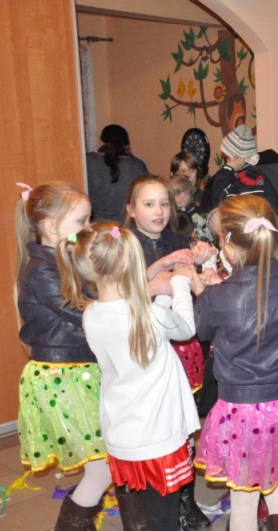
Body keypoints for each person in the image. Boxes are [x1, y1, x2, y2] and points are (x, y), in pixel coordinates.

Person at [192, 195, 278, 531]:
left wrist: (203, 289)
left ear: (227, 245)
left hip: (242, 410)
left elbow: (203, 329)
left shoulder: (217, 297)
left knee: (244, 499)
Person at [56, 221, 201, 529]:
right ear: (130, 265)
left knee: (145, 512)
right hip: (158, 439)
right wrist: (179, 285)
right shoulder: (150, 316)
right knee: (163, 519)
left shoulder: (91, 314)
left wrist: (162, 296)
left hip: (124, 438)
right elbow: (185, 328)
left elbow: (150, 328)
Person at [14, 182, 111, 530]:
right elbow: (81, 310)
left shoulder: (63, 261)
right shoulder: (42, 270)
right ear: (52, 227)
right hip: (63, 377)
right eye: (81, 221)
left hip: (78, 371)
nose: (88, 228)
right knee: (103, 470)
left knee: (108, 463)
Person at [123, 174, 215, 530]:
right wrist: (162, 275)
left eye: (164, 203)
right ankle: (150, 501)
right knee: (153, 426)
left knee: (184, 426)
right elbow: (119, 295)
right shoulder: (122, 246)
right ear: (131, 210)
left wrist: (200, 260)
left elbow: (189, 287)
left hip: (181, 346)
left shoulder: (177, 238)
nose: (159, 211)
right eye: (149, 204)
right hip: (144, 349)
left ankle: (184, 498)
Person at [208, 125, 278, 225]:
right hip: (266, 233)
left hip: (252, 234)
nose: (226, 162)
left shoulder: (250, 178)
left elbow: (222, 204)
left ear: (236, 159)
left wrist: (227, 170)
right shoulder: (267, 173)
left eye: (227, 157)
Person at [86, 124, 148, 221]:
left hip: (95, 228)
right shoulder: (138, 165)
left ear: (100, 142)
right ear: (127, 145)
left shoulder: (86, 161)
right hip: (128, 227)